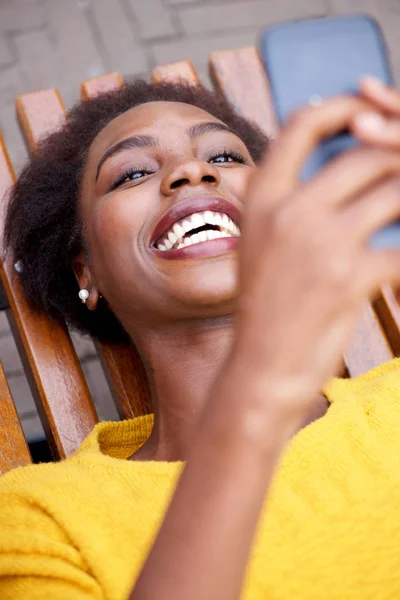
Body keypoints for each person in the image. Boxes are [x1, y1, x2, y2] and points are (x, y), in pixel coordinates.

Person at [1, 74, 400, 600]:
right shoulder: (38, 518)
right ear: (85, 273)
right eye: (132, 173)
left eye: (227, 158)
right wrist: (255, 399)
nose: (192, 171)